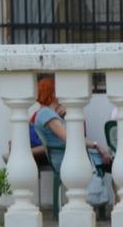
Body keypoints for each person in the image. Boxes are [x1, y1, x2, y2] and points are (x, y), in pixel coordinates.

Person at [30, 77, 112, 211]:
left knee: (111, 163)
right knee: (111, 163)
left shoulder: (45, 113)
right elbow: (70, 138)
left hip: (64, 156)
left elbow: (75, 136)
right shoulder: (46, 114)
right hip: (65, 158)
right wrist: (97, 146)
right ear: (53, 93)